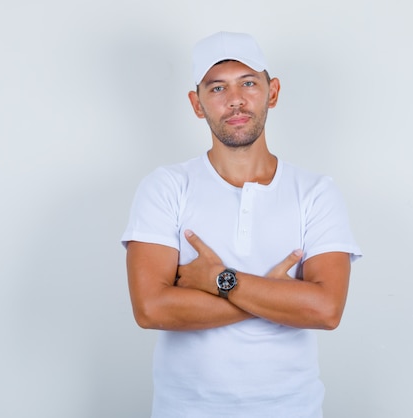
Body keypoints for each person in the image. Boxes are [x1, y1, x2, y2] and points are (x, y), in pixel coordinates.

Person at [121, 31, 362, 418]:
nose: (235, 100)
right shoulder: (165, 187)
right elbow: (151, 308)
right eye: (217, 88)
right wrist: (280, 297)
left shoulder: (316, 192)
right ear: (196, 104)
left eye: (248, 83)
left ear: (273, 92)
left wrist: (220, 280)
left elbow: (325, 311)